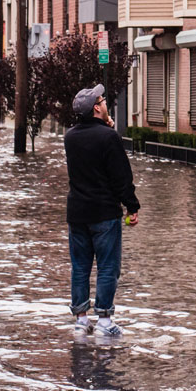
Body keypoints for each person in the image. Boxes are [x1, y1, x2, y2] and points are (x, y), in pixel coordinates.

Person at [64, 83, 140, 337]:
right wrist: (132, 206)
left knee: (80, 267)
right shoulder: (109, 137)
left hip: (77, 214)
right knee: (108, 267)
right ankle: (105, 322)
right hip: (104, 214)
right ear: (97, 108)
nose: (107, 103)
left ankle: (81, 320)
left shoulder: (70, 137)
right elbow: (121, 177)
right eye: (104, 100)